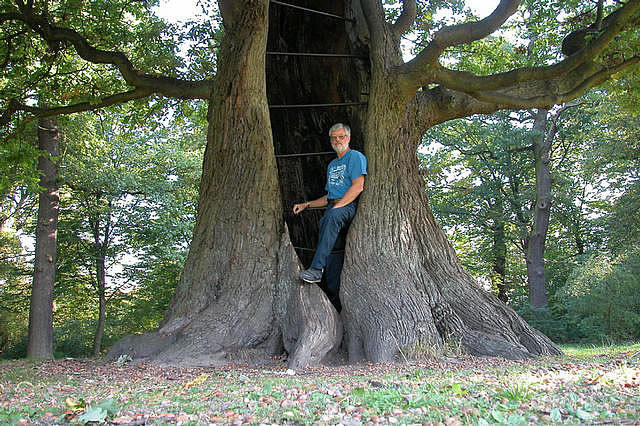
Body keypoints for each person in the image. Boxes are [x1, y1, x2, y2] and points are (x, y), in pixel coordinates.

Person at [293, 123, 367, 284]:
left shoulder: (355, 157)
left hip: (347, 207)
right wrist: (306, 204)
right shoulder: (332, 165)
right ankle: (334, 295)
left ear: (348, 138)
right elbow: (329, 197)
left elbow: (358, 186)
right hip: (333, 208)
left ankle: (316, 269)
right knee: (333, 250)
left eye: (341, 137)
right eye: (333, 138)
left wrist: (337, 209)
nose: (337, 140)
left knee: (330, 218)